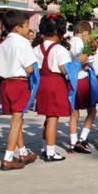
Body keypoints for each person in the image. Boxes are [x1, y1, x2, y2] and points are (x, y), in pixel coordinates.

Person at [0, 11, 38, 170]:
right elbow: (28, 67)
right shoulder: (23, 43)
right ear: (17, 28)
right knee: (16, 121)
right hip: (19, 83)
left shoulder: (3, 44)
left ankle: (22, 152)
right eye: (26, 26)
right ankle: (7, 158)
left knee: (17, 119)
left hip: (5, 83)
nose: (28, 29)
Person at [34, 14, 72, 161]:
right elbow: (65, 70)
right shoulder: (60, 50)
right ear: (58, 31)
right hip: (55, 83)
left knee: (47, 117)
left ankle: (45, 147)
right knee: (53, 118)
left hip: (42, 82)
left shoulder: (37, 48)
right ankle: (50, 152)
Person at [68, 21, 97, 154]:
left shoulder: (71, 41)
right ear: (85, 32)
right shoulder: (78, 42)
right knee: (92, 110)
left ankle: (73, 143)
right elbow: (81, 58)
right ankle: (82, 139)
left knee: (74, 113)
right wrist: (90, 48)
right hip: (81, 79)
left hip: (72, 79)